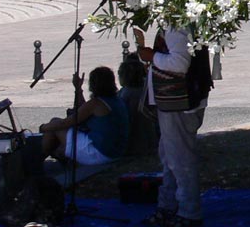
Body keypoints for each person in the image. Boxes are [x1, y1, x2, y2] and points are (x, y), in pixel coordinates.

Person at [133, 23, 212, 227]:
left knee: (180, 160)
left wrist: (152, 57)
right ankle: (169, 206)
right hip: (174, 102)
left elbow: (178, 63)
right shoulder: (173, 25)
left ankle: (189, 212)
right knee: (170, 157)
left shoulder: (177, 27)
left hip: (179, 102)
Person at [38, 66, 130, 165]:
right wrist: (78, 88)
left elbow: (65, 123)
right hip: (115, 152)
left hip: (100, 153)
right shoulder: (117, 101)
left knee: (55, 125)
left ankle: (35, 162)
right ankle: (56, 155)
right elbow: (83, 109)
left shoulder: (97, 103)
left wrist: (43, 128)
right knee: (58, 132)